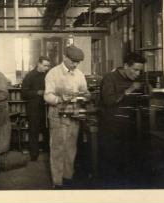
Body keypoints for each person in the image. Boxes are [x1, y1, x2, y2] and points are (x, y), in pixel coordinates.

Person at [98, 52, 147, 188]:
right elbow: (109, 101)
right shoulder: (110, 78)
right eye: (135, 70)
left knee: (127, 165)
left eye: (140, 71)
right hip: (110, 130)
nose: (137, 74)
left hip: (128, 128)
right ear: (126, 66)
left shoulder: (135, 79)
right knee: (110, 166)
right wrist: (129, 90)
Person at [44, 45, 89, 189]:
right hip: (58, 115)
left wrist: (86, 95)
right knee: (58, 149)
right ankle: (57, 182)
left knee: (71, 148)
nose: (75, 65)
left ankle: (67, 177)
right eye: (73, 61)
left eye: (78, 62)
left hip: (74, 115)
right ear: (65, 58)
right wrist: (60, 98)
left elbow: (84, 91)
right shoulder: (53, 73)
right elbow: (47, 96)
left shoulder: (79, 74)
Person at [21, 56, 51, 161]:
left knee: (47, 129)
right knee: (34, 131)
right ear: (38, 63)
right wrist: (37, 92)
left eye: (48, 66)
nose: (46, 68)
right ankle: (34, 154)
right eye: (44, 65)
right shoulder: (30, 76)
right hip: (34, 108)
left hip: (47, 106)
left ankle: (48, 151)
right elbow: (23, 93)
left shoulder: (49, 74)